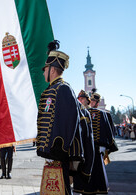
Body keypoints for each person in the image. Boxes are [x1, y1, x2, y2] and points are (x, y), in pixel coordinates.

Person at [36, 40, 84, 195]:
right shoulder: (53, 90)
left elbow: (69, 122)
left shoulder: (63, 89)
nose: (43, 72)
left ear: (52, 70)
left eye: (45, 69)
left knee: (61, 191)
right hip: (52, 156)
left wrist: (58, 148)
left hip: (58, 155)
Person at [79, 89, 118, 194]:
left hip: (97, 147)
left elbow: (108, 130)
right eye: (90, 101)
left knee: (97, 173)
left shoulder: (103, 114)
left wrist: (105, 145)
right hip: (86, 148)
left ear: (97, 102)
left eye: (93, 101)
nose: (91, 102)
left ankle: (96, 190)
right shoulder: (83, 112)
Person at [73, 90, 95, 193]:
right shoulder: (76, 110)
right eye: (79, 98)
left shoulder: (88, 113)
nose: (80, 100)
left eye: (82, 98)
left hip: (89, 146)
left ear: (87, 100)